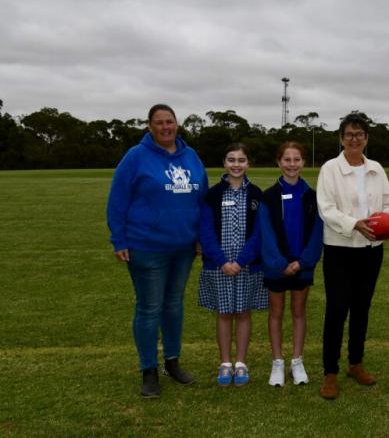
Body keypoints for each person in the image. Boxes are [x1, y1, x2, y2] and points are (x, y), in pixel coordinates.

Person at [107, 104, 208, 398]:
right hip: (147, 247)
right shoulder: (136, 157)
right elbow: (118, 200)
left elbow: (203, 199)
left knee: (173, 305)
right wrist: (119, 239)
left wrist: (201, 237)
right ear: (150, 126)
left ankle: (172, 362)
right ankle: (148, 370)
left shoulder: (191, 156)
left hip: (184, 247)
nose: (166, 127)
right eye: (159, 122)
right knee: (150, 308)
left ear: (177, 124)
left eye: (170, 122)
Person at [316, 112, 389, 400]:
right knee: (337, 310)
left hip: (371, 249)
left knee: (362, 308)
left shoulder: (376, 168)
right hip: (340, 248)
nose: (354, 139)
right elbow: (325, 208)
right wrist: (355, 224)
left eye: (359, 134)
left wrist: (382, 224)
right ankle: (330, 372)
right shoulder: (330, 168)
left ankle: (355, 363)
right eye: (349, 134)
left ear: (366, 139)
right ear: (341, 138)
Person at [197, 143, 267, 387]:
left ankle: (241, 362)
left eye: (241, 160)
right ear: (224, 163)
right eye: (231, 160)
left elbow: (260, 234)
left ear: (248, 164)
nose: (236, 164)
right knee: (224, 313)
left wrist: (240, 261)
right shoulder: (213, 195)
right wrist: (222, 261)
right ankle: (225, 362)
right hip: (219, 265)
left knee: (244, 313)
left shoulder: (258, 195)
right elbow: (205, 232)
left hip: (246, 265)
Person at [260, 142, 323, 387]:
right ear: (279, 162)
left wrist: (303, 262)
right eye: (287, 160)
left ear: (304, 163)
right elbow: (265, 233)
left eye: (297, 160)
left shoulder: (313, 196)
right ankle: (277, 362)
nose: (292, 164)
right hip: (276, 266)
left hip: (302, 266)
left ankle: (297, 361)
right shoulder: (269, 196)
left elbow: (318, 232)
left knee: (298, 313)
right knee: (276, 313)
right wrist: (279, 263)